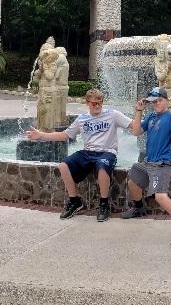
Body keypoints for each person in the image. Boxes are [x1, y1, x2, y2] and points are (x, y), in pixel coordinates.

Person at [26, 88, 132, 222]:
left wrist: (143, 116)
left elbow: (133, 125)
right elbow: (64, 135)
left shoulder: (113, 115)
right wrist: (41, 135)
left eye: (100, 102)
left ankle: (104, 204)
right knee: (64, 165)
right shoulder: (82, 119)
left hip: (107, 152)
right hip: (87, 152)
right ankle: (75, 201)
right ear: (87, 103)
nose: (97, 105)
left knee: (102, 166)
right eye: (94, 103)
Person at [122, 86, 171, 249]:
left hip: (162, 164)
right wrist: (138, 111)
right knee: (133, 180)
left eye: (159, 100)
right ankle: (139, 207)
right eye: (153, 101)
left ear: (166, 101)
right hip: (148, 162)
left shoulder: (170, 117)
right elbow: (136, 132)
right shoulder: (151, 116)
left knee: (161, 197)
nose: (156, 104)